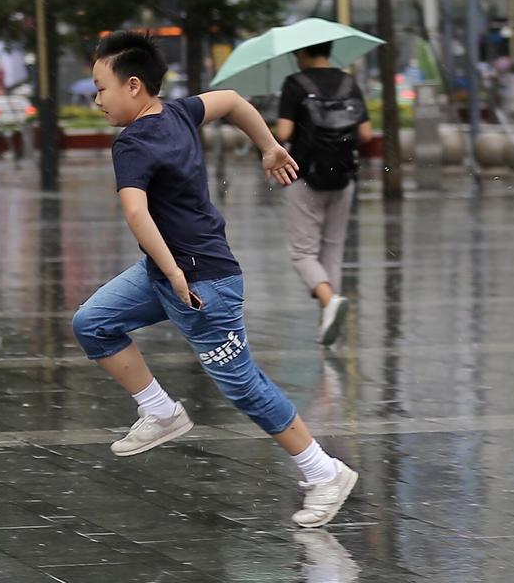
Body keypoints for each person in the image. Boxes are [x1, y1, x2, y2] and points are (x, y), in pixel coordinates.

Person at [72, 31, 358, 528]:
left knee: (244, 387)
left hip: (202, 283)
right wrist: (268, 146)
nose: (96, 100)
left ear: (133, 86)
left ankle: (324, 472)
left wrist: (173, 273)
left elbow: (137, 216)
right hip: (168, 272)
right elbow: (231, 101)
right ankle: (160, 412)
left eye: (101, 88)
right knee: (92, 322)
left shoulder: (134, 143)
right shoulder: (178, 112)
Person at [275, 41, 372, 347]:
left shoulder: (295, 84)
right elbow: (366, 134)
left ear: (302, 52)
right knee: (333, 249)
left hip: (304, 175)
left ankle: (329, 302)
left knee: (302, 252)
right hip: (342, 176)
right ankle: (326, 321)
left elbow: (284, 133)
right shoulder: (348, 82)